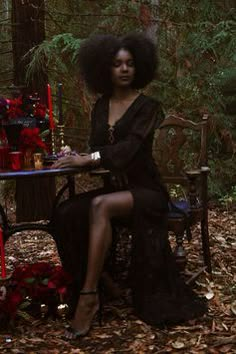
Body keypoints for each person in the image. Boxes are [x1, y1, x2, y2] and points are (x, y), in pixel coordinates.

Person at [52, 32, 207, 340]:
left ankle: (89, 297)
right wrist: (76, 155)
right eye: (117, 64)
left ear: (139, 68)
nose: (124, 69)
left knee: (100, 205)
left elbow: (126, 152)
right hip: (114, 190)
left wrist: (90, 159)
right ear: (104, 69)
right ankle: (102, 282)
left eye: (130, 64)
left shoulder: (148, 107)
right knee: (65, 213)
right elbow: (97, 148)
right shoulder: (100, 106)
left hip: (146, 192)